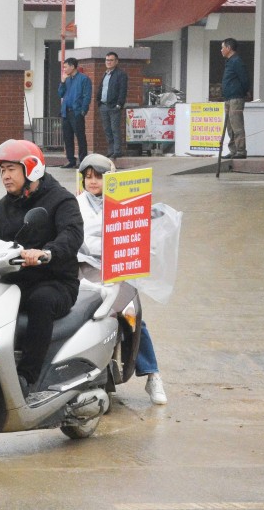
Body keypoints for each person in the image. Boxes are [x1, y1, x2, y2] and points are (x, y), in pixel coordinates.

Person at [0, 140, 83, 395]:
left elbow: (72, 235)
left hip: (56, 282)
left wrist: (47, 253)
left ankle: (28, 378)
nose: (5, 176)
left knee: (41, 301)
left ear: (31, 168)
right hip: (18, 281)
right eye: (2, 170)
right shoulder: (5, 205)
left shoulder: (61, 200)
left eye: (11, 169)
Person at [75, 153, 167, 405]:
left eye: (99, 177)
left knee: (133, 315)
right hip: (84, 269)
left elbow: (141, 236)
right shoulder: (74, 204)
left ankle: (152, 374)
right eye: (88, 177)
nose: (93, 182)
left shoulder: (126, 203)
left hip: (118, 269)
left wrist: (146, 225)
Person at [57, 57, 92, 168]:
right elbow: (60, 94)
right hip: (66, 112)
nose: (64, 69)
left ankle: (83, 160)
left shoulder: (84, 79)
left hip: (76, 112)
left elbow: (87, 96)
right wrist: (62, 82)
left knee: (80, 137)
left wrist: (83, 111)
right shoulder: (66, 80)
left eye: (66, 67)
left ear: (72, 66)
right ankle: (71, 160)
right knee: (67, 137)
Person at [220, 38, 250, 159]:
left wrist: (242, 93)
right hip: (228, 98)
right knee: (229, 126)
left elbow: (245, 79)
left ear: (228, 48)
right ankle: (233, 150)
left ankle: (241, 151)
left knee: (237, 126)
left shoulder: (237, 61)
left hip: (236, 98)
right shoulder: (229, 61)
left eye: (222, 47)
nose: (221, 50)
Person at [95, 52, 128, 159]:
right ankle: (111, 150)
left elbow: (123, 91)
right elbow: (101, 89)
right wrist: (99, 102)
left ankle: (117, 150)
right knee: (107, 129)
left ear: (116, 61)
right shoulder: (105, 74)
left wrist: (119, 104)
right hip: (103, 106)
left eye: (111, 60)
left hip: (114, 106)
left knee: (115, 129)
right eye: (107, 60)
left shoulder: (120, 74)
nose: (108, 62)